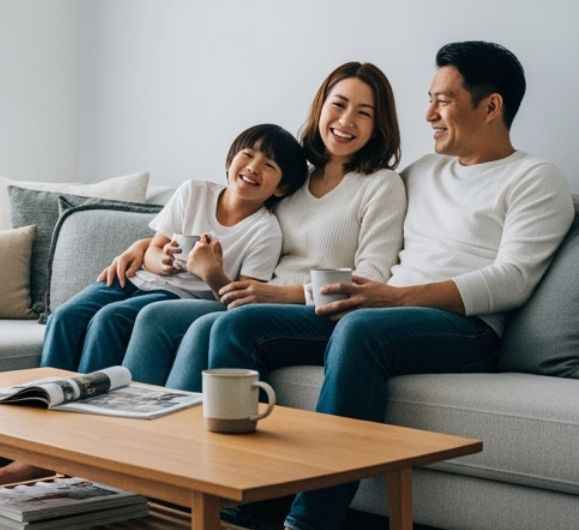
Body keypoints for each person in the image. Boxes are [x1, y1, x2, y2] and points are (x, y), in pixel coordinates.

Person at [204, 41, 574, 530]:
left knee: (361, 329)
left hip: (466, 330)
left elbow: (514, 278)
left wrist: (396, 298)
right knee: (238, 326)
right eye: (430, 99)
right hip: (380, 313)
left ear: (491, 106)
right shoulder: (421, 173)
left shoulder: (534, 178)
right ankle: (221, 508)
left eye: (443, 100)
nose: (429, 114)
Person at [0, 123, 308, 484]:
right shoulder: (194, 192)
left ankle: (79, 444)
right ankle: (34, 444)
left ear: (280, 188)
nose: (253, 167)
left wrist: (210, 271)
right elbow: (153, 250)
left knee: (111, 320)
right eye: (247, 155)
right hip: (134, 279)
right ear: (230, 160)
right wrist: (163, 261)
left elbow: (242, 301)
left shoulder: (264, 231)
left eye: (269, 165)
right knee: (65, 318)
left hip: (178, 296)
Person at [109, 61, 408, 389]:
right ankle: (134, 416)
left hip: (319, 314)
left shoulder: (382, 185)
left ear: (378, 126)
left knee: (210, 325)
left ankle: (175, 419)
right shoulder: (293, 180)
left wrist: (284, 295)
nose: (346, 120)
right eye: (338, 104)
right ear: (320, 108)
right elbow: (239, 222)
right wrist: (145, 246)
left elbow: (371, 280)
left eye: (363, 113)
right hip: (257, 300)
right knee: (158, 317)